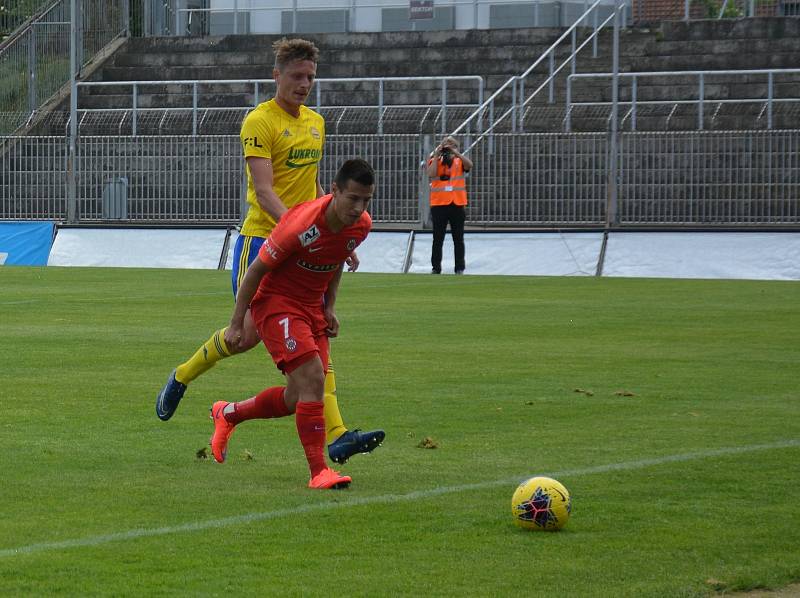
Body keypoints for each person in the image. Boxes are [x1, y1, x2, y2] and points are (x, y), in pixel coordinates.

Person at [155, 37, 384, 465]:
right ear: (276, 76)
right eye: (296, 76)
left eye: (310, 77)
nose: (304, 84)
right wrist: (303, 231)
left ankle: (332, 435)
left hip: (305, 240)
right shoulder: (259, 122)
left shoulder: (316, 123)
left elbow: (315, 190)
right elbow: (264, 192)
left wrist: (334, 227)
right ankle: (183, 376)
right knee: (244, 337)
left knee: (314, 337)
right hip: (263, 239)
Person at [210, 158, 375, 489]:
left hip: (312, 307)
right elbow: (256, 270)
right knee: (315, 378)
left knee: (298, 397)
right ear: (334, 191)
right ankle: (319, 472)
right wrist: (236, 322)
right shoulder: (300, 224)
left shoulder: (361, 226)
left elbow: (335, 258)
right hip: (277, 304)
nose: (359, 208)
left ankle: (229, 413)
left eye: (366, 200)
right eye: (353, 198)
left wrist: (330, 307)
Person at [426, 135, 473, 275]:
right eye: (446, 144)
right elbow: (431, 173)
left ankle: (459, 267)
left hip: (457, 203)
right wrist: (436, 155)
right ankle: (436, 268)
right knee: (437, 238)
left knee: (458, 238)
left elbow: (469, 165)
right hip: (439, 204)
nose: (448, 147)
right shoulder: (435, 160)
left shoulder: (459, 161)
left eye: (451, 145)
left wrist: (456, 153)